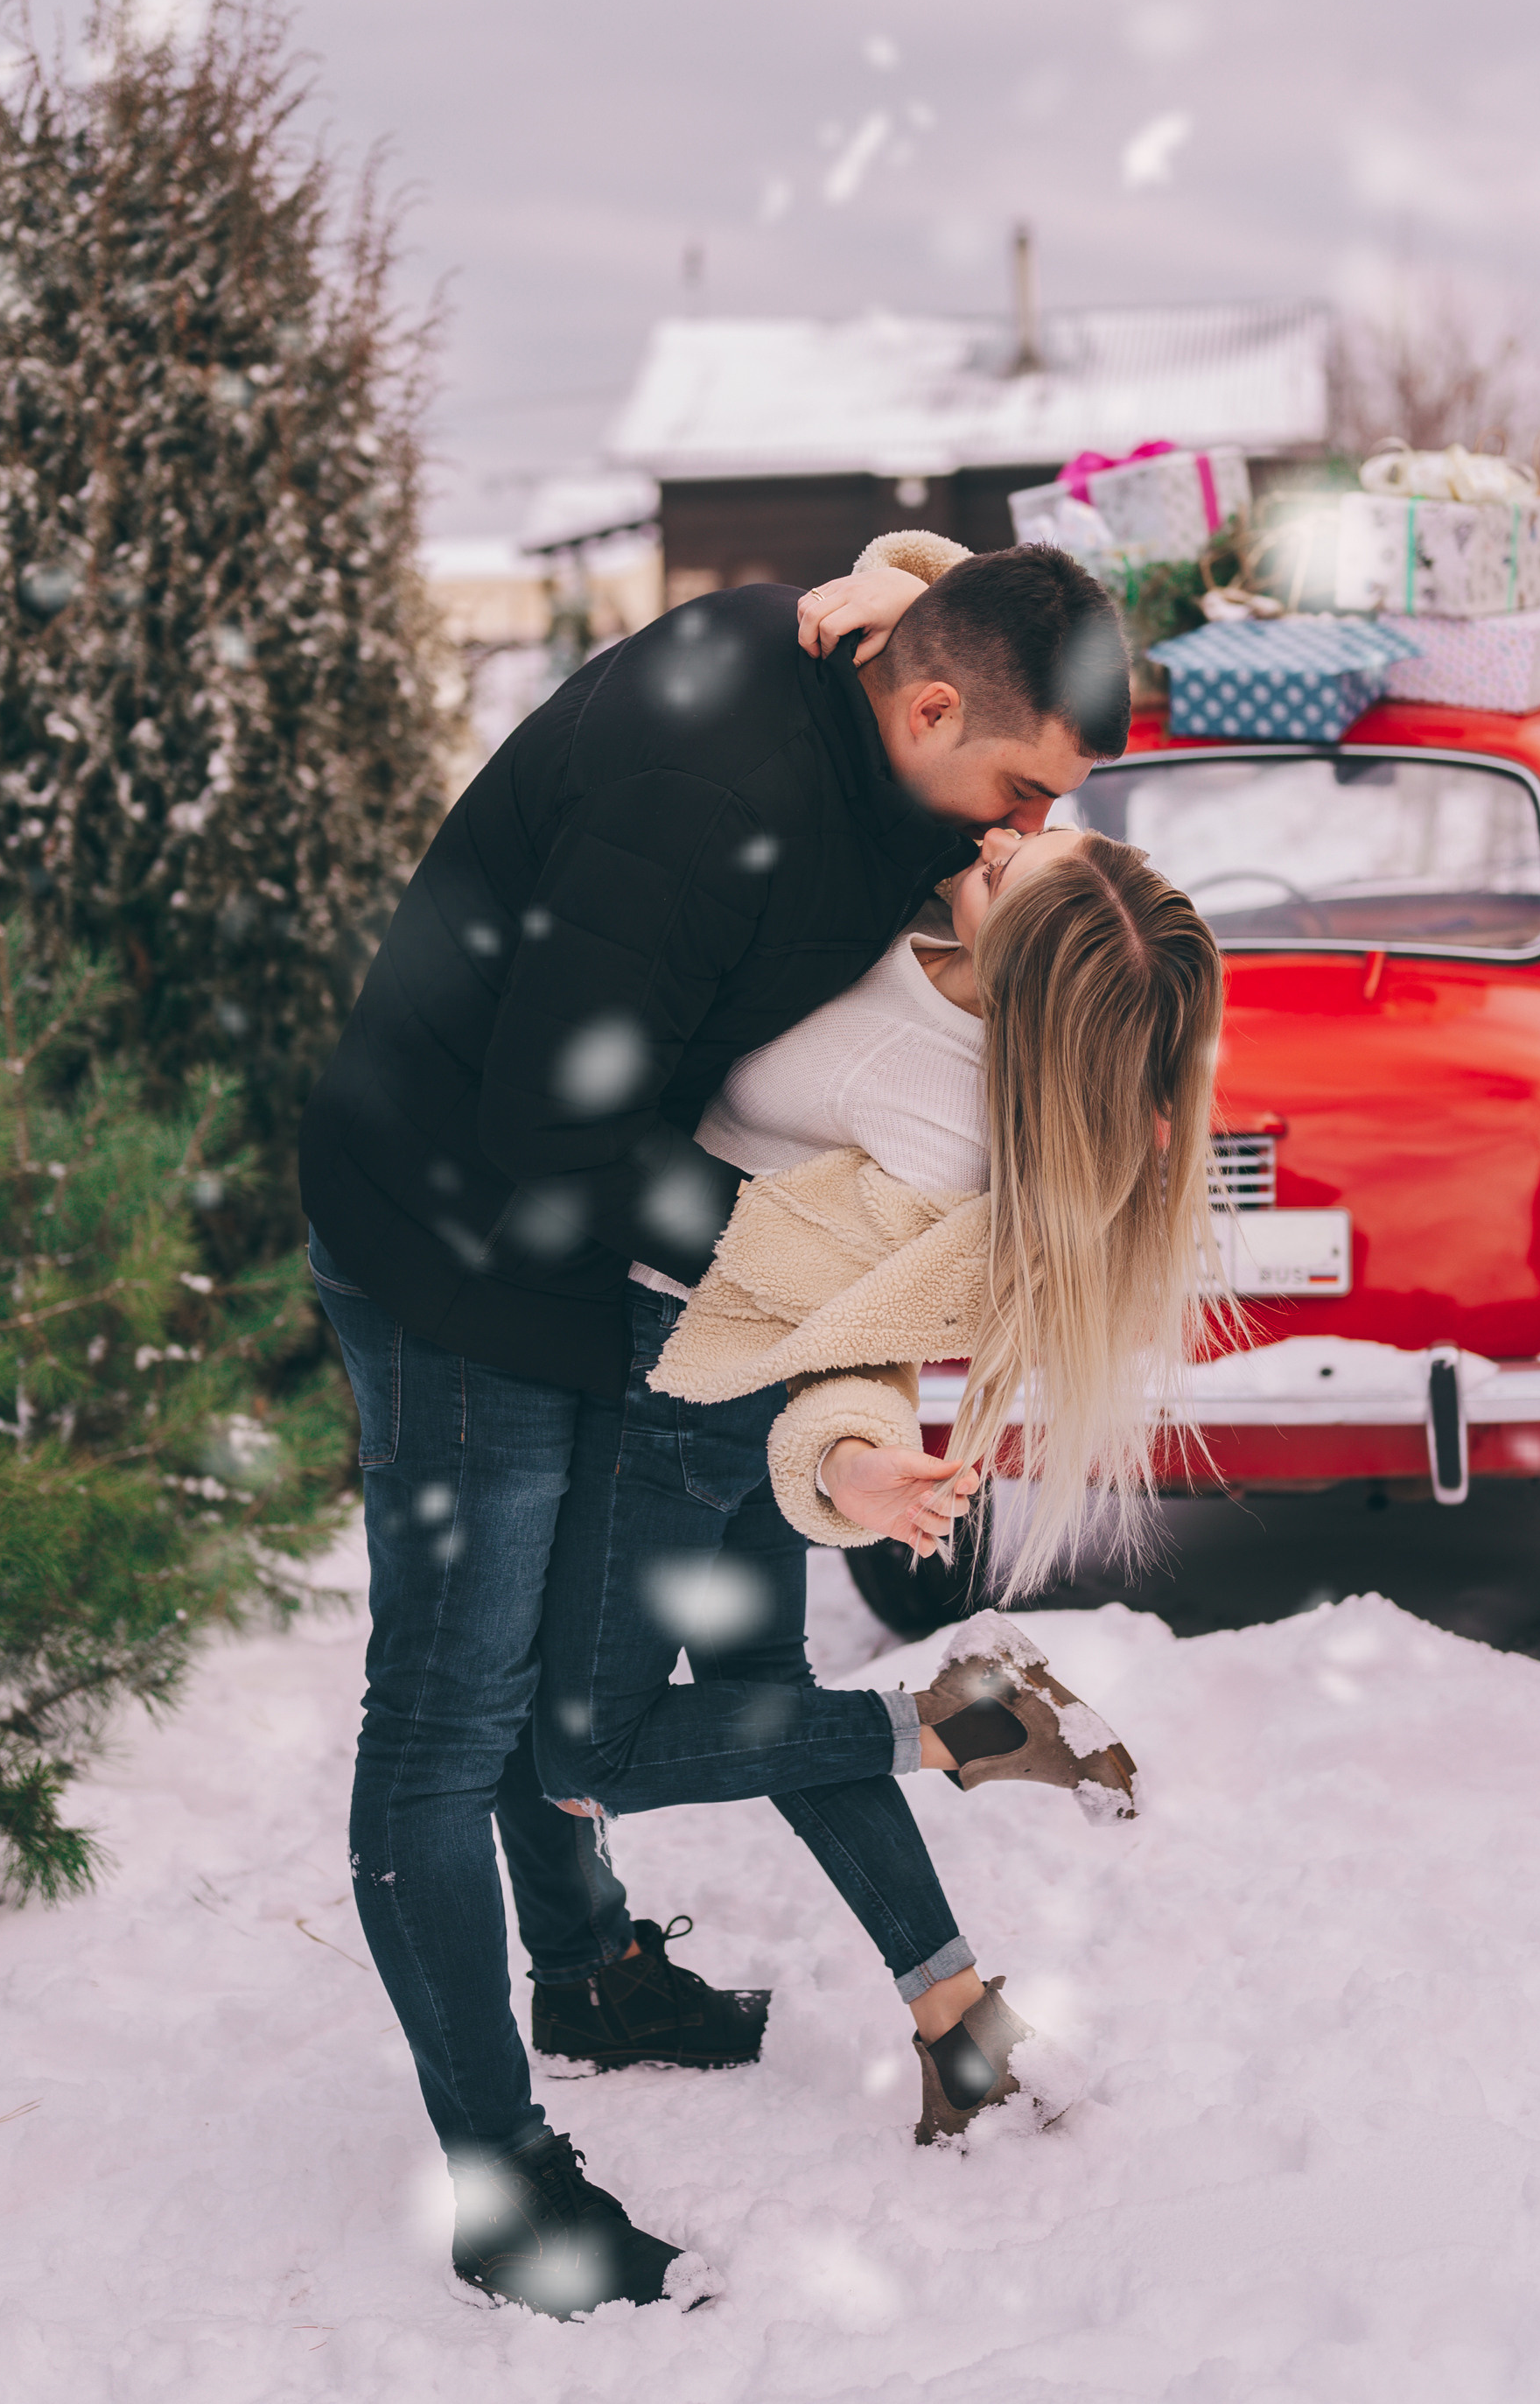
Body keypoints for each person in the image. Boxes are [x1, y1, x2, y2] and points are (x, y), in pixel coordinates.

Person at [298, 537, 1130, 2316]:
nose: (1017, 831)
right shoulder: (710, 791)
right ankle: (503, 2188)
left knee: (563, 1685)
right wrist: (795, 1285)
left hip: (588, 1239)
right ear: (921, 706)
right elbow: (545, 1129)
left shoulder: (863, 720)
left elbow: (915, 610)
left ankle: (589, 1969)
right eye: (1019, 788)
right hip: (454, 1237)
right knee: (459, 1716)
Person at [533, 817, 1228, 2161]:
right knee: (764, 1709)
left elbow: (830, 1319)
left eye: (1004, 872)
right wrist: (882, 587)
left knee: (582, 1752)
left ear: (1015, 965)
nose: (996, 837)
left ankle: (959, 1722)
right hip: (681, 1362)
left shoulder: (945, 1124)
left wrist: (851, 1460)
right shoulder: (923, 918)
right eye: (1028, 836)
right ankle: (962, 2025)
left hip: (676, 1370)